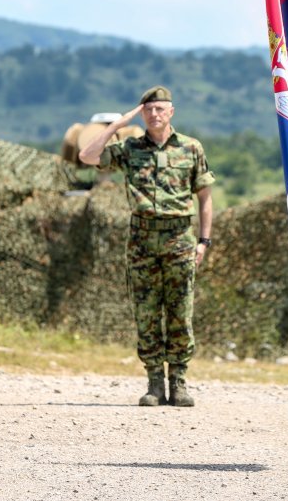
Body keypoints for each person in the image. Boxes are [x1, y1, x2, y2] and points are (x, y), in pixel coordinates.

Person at [79, 85, 215, 407]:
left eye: (160, 109)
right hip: (142, 240)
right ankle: (155, 383)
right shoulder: (129, 149)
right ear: (142, 114)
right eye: (148, 109)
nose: (154, 115)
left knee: (181, 312)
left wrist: (203, 241)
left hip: (180, 238)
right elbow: (87, 156)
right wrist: (116, 125)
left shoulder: (191, 148)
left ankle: (178, 382)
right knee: (147, 313)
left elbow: (205, 199)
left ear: (171, 112)